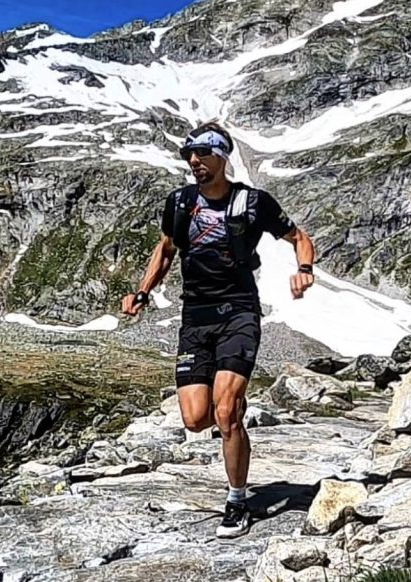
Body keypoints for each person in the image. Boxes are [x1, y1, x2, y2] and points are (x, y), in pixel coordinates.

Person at [122, 121, 315, 538]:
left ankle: (237, 500)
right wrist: (142, 291)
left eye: (203, 154)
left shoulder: (253, 202)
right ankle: (234, 422)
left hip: (239, 311)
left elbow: (299, 237)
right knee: (195, 419)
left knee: (225, 412)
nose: (194, 161)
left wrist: (304, 269)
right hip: (196, 317)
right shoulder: (178, 203)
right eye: (189, 155)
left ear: (222, 157)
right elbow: (166, 250)